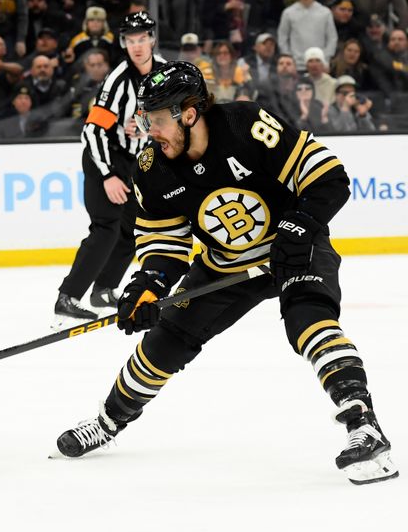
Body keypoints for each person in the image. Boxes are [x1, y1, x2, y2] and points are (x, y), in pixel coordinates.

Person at [55, 61, 398, 486]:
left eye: (158, 120)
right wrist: (149, 285)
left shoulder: (246, 124)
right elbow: (164, 244)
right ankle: (108, 421)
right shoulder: (150, 168)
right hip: (224, 265)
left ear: (190, 113)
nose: (150, 131)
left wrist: (300, 226)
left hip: (291, 248)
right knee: (165, 341)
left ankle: (363, 426)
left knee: (309, 321)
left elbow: (329, 178)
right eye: (146, 120)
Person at [54, 11, 165, 324]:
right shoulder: (118, 80)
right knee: (106, 227)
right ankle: (69, 296)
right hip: (104, 158)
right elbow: (92, 131)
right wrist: (108, 175)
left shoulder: (164, 72)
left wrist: (144, 124)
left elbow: (173, 112)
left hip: (132, 162)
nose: (138, 45)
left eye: (143, 38)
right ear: (124, 43)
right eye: (131, 40)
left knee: (131, 229)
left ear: (152, 39)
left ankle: (103, 289)